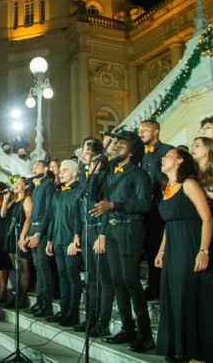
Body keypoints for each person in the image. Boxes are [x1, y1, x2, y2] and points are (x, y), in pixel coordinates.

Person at [154, 149, 213, 362]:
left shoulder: (189, 184)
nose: (163, 158)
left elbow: (207, 219)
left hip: (190, 243)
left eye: (169, 155)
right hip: (174, 246)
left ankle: (198, 352)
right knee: (174, 295)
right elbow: (169, 223)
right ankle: (179, 348)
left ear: (180, 161)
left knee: (189, 295)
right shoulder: (166, 187)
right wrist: (161, 250)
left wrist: (203, 250)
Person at [92, 130, 154, 352]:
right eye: (115, 144)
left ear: (132, 151)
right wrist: (97, 170)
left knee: (130, 280)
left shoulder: (138, 175)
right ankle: (127, 328)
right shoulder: (110, 173)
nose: (116, 147)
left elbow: (145, 204)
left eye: (121, 145)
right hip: (113, 230)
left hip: (131, 228)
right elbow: (92, 195)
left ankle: (145, 334)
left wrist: (114, 205)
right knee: (117, 280)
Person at [78, 137, 115, 337]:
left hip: (99, 228)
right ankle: (90, 320)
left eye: (85, 149)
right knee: (91, 278)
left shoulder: (105, 176)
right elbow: (81, 202)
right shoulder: (87, 176)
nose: (82, 153)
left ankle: (103, 322)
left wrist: (102, 234)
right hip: (86, 229)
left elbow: (104, 203)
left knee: (103, 278)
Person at [44, 160, 84, 327]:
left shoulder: (80, 192)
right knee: (62, 277)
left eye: (65, 170)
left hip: (71, 241)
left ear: (75, 173)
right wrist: (50, 240)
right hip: (58, 241)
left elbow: (80, 217)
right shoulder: (58, 193)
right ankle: (63, 310)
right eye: (60, 170)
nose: (60, 173)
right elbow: (53, 218)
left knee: (72, 277)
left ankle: (72, 314)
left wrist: (76, 239)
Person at [139, 119, 174, 299]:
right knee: (150, 248)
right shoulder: (141, 155)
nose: (141, 132)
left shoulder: (167, 150)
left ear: (156, 131)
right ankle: (153, 286)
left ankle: (164, 287)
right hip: (147, 209)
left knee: (163, 247)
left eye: (145, 129)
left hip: (163, 204)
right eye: (140, 129)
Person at [24, 159, 57, 318]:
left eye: (37, 165)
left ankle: (47, 305)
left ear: (45, 169)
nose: (33, 167)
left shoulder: (48, 185)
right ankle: (39, 301)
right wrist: (29, 234)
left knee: (44, 268)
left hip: (42, 231)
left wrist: (38, 234)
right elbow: (33, 215)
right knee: (37, 267)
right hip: (34, 228)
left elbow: (48, 212)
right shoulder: (36, 187)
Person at [1, 177, 32, 309]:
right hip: (10, 234)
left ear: (25, 186)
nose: (16, 185)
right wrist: (5, 199)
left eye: (19, 183)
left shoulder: (27, 199)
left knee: (23, 267)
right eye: (15, 183)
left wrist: (22, 236)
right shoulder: (14, 200)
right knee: (17, 268)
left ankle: (22, 297)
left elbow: (29, 217)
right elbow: (3, 214)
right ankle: (17, 295)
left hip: (20, 234)